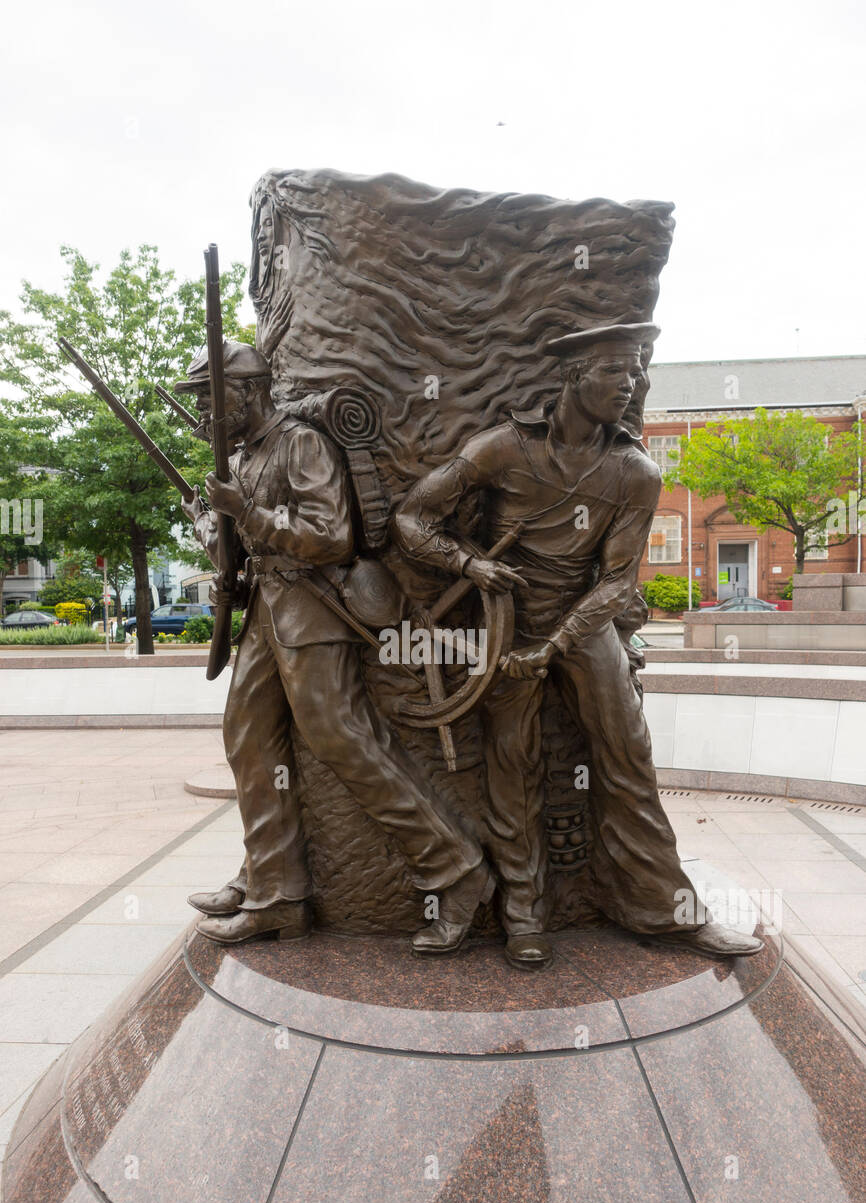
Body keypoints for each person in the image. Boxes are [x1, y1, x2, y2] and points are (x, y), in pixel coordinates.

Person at [395, 322, 762, 966]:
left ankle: (665, 912)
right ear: (573, 375)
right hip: (506, 623)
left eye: (638, 370)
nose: (633, 383)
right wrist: (469, 566)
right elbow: (412, 518)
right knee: (513, 766)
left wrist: (557, 643)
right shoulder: (502, 449)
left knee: (628, 758)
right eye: (617, 369)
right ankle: (522, 914)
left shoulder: (635, 473)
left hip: (585, 625)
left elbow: (618, 583)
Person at [178, 340, 492, 946]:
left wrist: (247, 510)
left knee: (344, 739)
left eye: (213, 400)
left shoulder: (300, 443)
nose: (206, 416)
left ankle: (458, 869)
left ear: (248, 391)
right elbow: (238, 554)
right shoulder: (242, 459)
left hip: (314, 613)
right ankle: (275, 890)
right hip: (267, 615)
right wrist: (207, 524)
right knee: (247, 742)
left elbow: (332, 536)